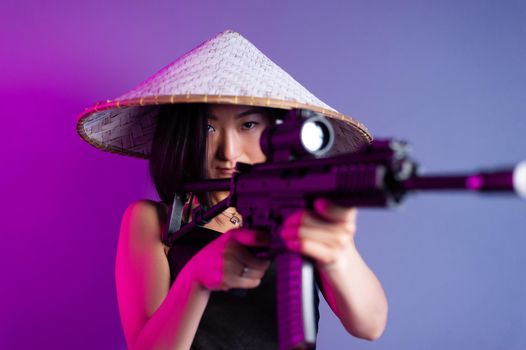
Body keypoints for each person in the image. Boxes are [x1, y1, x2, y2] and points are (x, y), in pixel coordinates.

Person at [77, 30, 388, 349]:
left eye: (248, 125)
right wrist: (196, 279)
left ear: (276, 132)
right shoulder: (152, 219)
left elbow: (369, 324)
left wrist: (338, 252)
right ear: (181, 136)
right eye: (208, 128)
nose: (229, 151)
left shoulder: (301, 212)